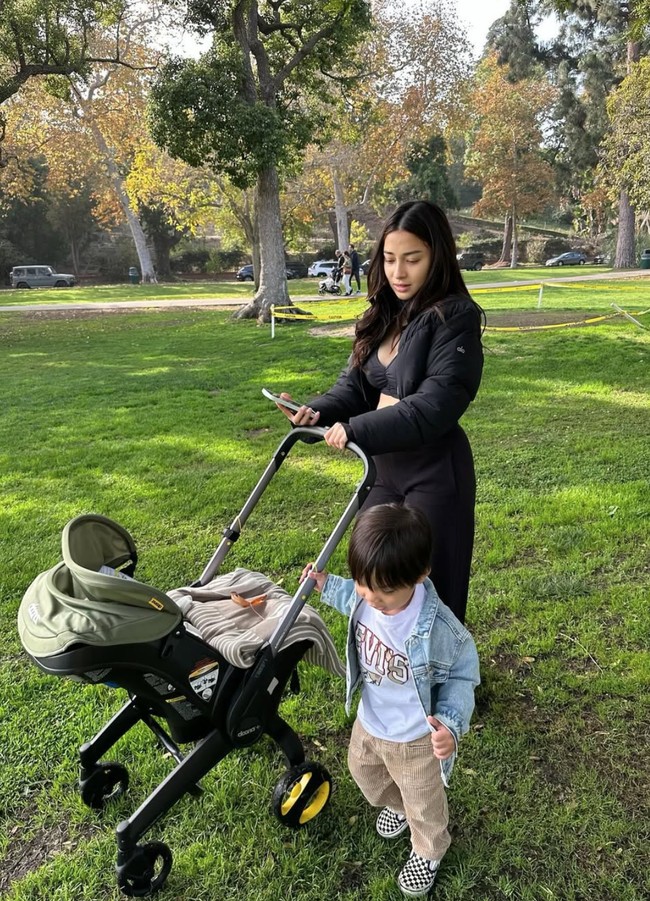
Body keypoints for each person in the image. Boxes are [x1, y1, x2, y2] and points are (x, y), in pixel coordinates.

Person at [276, 200, 484, 624]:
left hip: (435, 472)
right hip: (381, 471)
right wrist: (316, 411)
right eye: (389, 259)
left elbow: (434, 406)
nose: (398, 273)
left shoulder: (455, 318)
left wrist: (355, 429)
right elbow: (351, 387)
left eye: (413, 259)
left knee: (433, 594)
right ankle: (386, 674)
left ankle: (443, 682)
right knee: (378, 583)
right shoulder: (381, 316)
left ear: (437, 257)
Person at [301, 503, 480, 898]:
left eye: (384, 591)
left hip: (415, 736)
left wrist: (450, 724)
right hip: (371, 720)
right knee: (364, 772)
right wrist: (326, 584)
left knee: (424, 800)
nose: (372, 598)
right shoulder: (366, 596)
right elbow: (350, 596)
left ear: (418, 576)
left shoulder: (437, 628)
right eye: (365, 584)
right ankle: (396, 806)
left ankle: (429, 848)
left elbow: (463, 673)